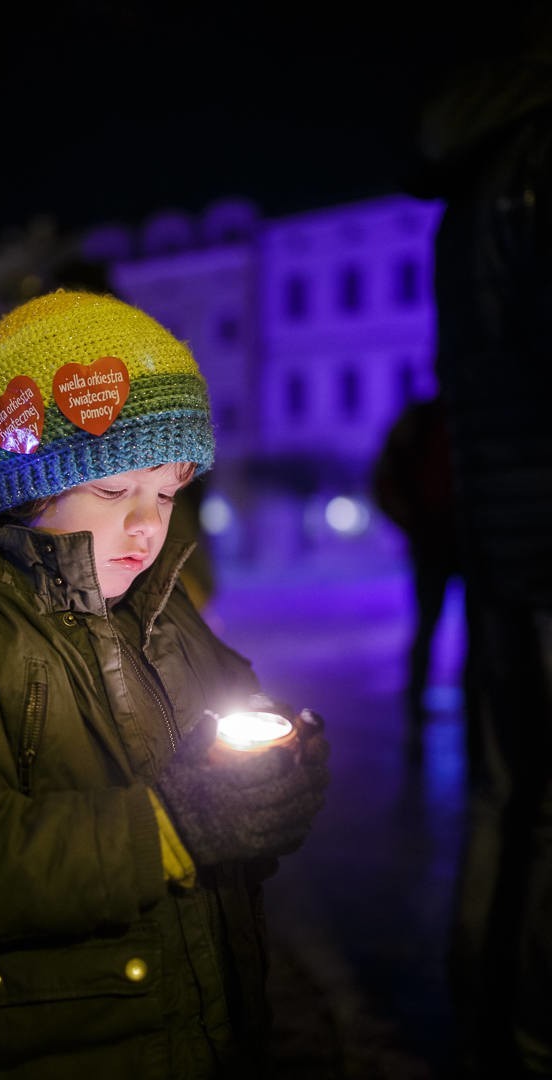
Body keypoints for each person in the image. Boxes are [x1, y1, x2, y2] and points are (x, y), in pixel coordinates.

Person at [0, 289, 330, 1080]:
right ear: (25, 485)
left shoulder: (162, 606)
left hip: (208, 1029)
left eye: (169, 493)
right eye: (113, 492)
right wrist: (172, 831)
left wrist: (277, 772)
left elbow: (235, 719)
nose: (147, 525)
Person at [404, 7, 552, 1076]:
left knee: (509, 792)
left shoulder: (474, 183)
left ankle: (484, 1008)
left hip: (504, 530)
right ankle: (542, 1032)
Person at [371, 393, 461, 756]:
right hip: (444, 540)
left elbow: (384, 479)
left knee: (429, 631)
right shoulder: (426, 421)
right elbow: (385, 480)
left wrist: (411, 522)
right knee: (435, 633)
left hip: (436, 539)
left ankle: (419, 724)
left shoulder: (419, 422)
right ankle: (423, 724)